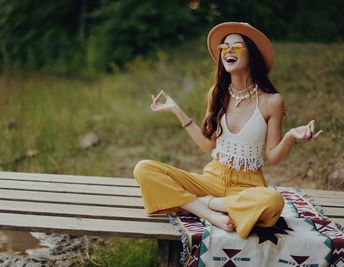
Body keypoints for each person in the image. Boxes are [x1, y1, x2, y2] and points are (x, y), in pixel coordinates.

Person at [133, 22, 323, 239]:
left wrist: (290, 136)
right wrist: (177, 110)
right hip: (212, 177)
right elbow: (207, 145)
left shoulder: (272, 101)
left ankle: (197, 204)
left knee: (273, 201)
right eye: (224, 47)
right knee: (144, 168)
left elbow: (273, 156)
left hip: (247, 186)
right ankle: (211, 214)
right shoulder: (216, 94)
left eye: (236, 46)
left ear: (252, 54)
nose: (228, 51)